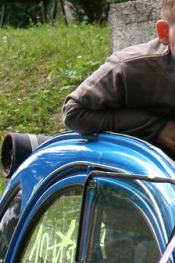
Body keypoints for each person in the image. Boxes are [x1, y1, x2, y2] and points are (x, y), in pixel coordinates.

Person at [61, 0, 175, 156]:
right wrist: (157, 127)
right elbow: (74, 113)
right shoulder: (129, 67)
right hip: (140, 165)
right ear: (165, 32)